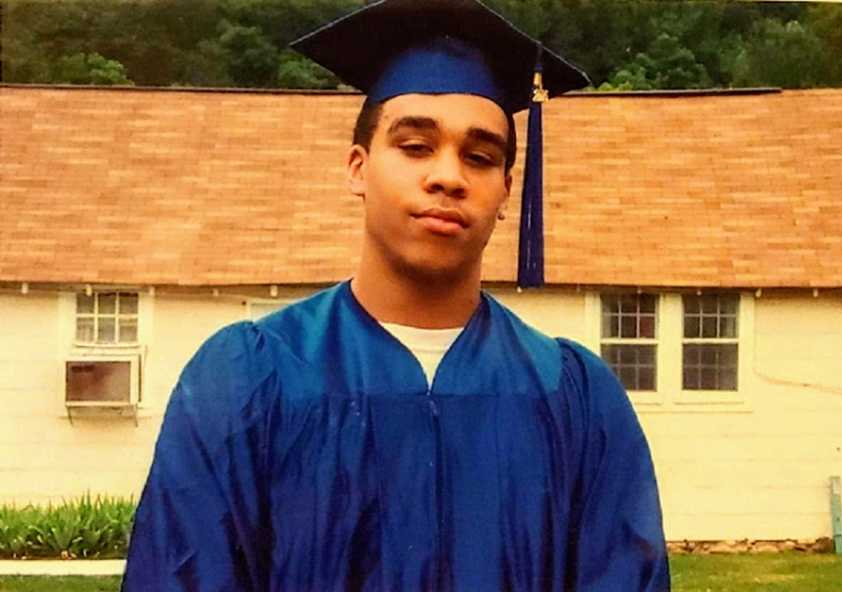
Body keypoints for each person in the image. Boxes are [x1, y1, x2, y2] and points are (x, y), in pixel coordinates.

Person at [122, 0, 670, 590]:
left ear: (507, 190)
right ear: (358, 168)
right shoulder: (247, 379)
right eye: (414, 147)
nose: (448, 176)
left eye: (480, 157)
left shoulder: (576, 399)